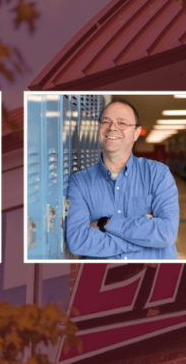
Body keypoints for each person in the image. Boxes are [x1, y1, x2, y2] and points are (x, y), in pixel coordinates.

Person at [65, 99, 179, 259]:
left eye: (122, 123)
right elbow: (78, 241)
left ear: (137, 132)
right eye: (106, 122)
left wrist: (106, 224)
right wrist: (143, 240)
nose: (112, 128)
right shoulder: (79, 182)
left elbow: (166, 233)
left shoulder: (158, 173)